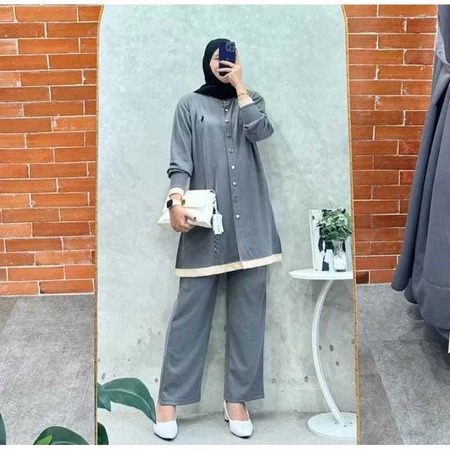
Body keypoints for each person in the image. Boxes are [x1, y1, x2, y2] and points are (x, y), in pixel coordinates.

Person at [154, 37, 282, 440]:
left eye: (229, 58)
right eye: (215, 57)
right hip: (204, 225)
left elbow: (260, 132)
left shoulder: (252, 99)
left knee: (249, 316)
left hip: (253, 226)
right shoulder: (189, 105)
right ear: (206, 62)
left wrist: (241, 87)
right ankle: (168, 400)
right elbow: (180, 160)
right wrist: (175, 201)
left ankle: (237, 401)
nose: (221, 63)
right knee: (190, 314)